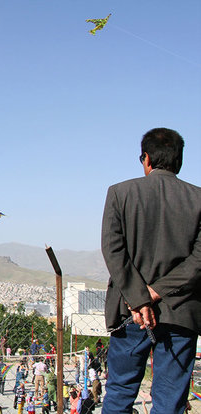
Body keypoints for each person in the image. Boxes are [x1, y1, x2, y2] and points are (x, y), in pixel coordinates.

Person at [101, 128, 201, 413]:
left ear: (145, 158)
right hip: (180, 314)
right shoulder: (198, 199)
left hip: (131, 314)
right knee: (170, 400)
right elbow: (198, 260)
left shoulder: (120, 193)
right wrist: (157, 293)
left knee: (120, 391)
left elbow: (113, 249)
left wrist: (140, 297)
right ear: (179, 161)